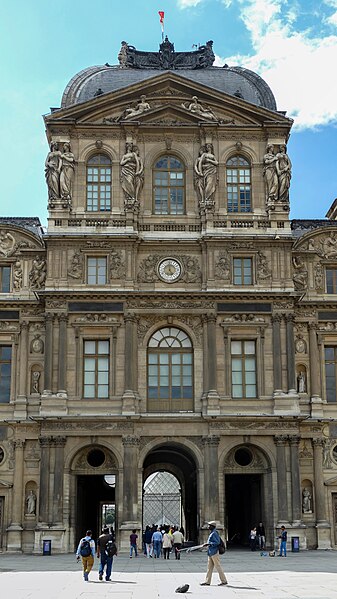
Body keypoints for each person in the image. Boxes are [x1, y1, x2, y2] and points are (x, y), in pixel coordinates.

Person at [200, 521, 228, 587]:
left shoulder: (214, 533)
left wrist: (209, 544)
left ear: (212, 526)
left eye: (209, 525)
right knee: (209, 568)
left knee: (218, 566)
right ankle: (207, 582)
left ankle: (224, 581)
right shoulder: (212, 533)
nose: (208, 527)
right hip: (210, 552)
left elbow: (217, 542)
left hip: (214, 552)